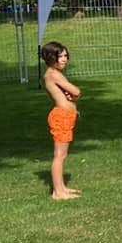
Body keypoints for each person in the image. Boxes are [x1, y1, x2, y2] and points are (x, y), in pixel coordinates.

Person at [41, 41, 81, 200]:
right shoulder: (53, 74)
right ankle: (58, 192)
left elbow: (69, 94)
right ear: (51, 57)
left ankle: (62, 187)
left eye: (65, 56)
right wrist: (75, 94)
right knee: (60, 155)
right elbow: (76, 91)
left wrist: (71, 97)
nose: (64, 59)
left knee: (62, 154)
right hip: (61, 117)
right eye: (60, 56)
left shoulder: (54, 73)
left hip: (66, 116)